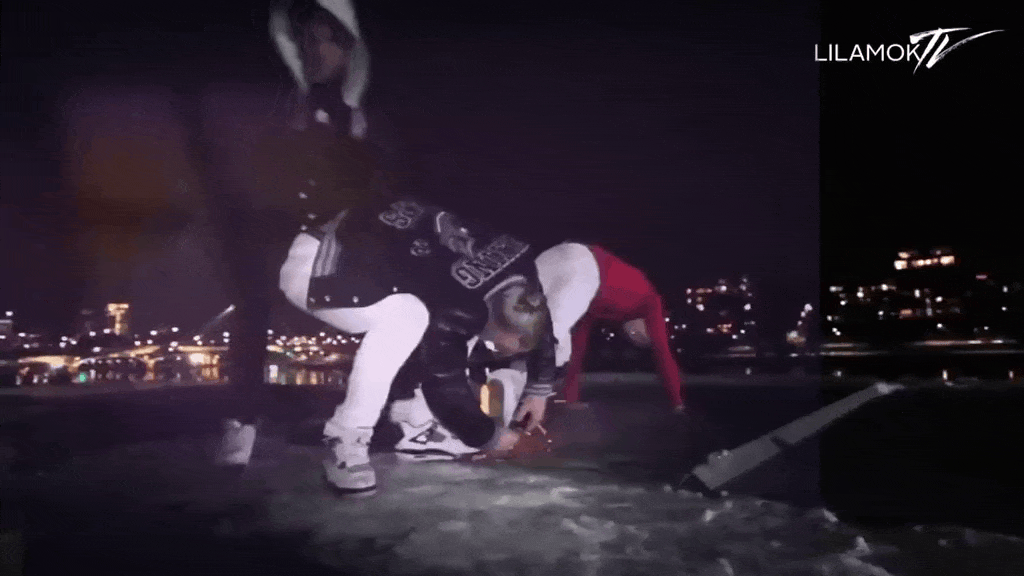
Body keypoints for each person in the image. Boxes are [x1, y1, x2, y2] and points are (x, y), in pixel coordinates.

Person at [538, 242, 686, 412]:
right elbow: (664, 354)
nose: (634, 335)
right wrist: (677, 402)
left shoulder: (604, 310)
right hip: (582, 262)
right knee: (550, 332)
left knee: (536, 319)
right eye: (642, 335)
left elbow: (578, 347)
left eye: (635, 339)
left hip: (567, 261)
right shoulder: (651, 303)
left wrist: (570, 398)